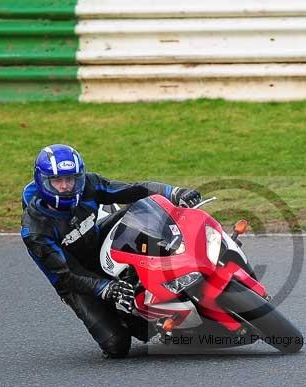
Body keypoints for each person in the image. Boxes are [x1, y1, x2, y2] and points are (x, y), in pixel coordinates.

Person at [20, 144, 201, 358]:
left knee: (144, 215)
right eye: (57, 181)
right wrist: (106, 289)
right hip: (75, 280)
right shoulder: (35, 230)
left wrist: (174, 192)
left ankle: (189, 260)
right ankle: (125, 312)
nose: (65, 187)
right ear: (42, 182)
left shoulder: (88, 185)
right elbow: (66, 275)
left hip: (97, 242)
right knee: (118, 344)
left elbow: (131, 190)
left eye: (71, 179)